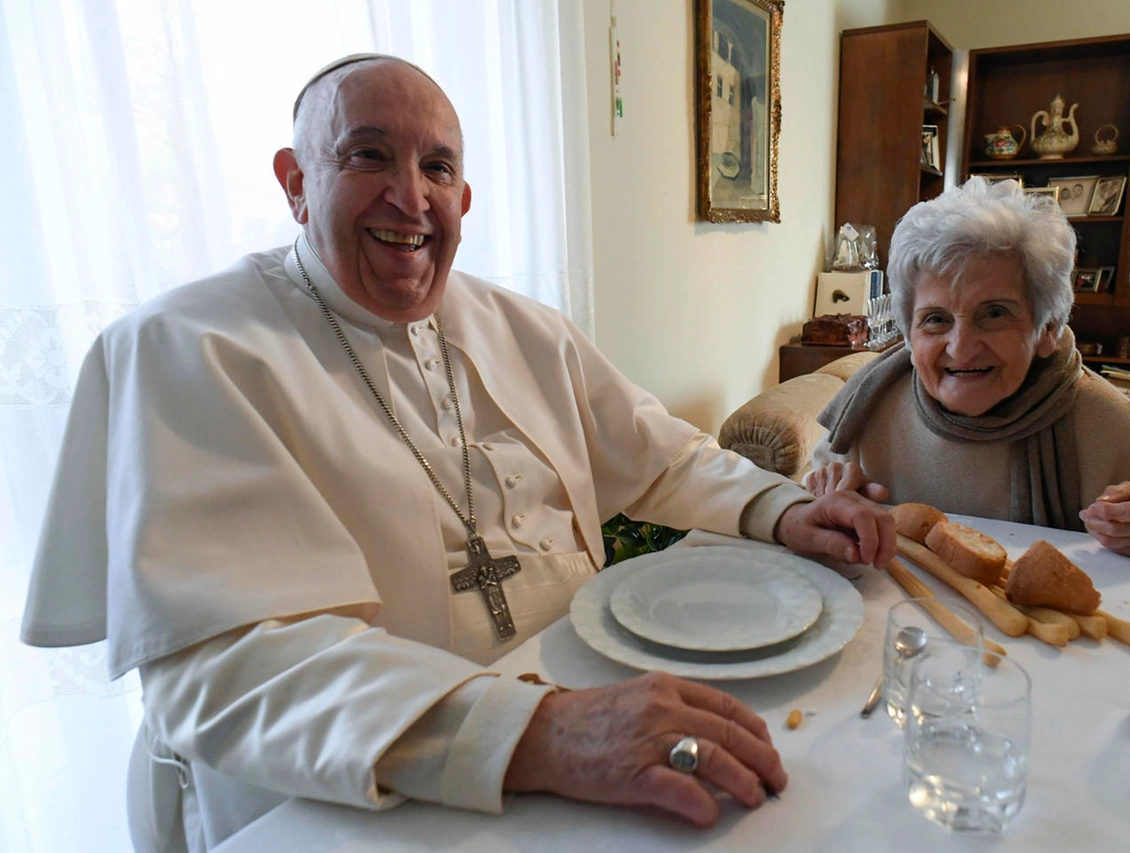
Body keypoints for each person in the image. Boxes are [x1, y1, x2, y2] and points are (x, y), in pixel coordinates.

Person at [20, 55, 894, 852]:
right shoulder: (187, 348)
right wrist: (536, 731)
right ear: (293, 182)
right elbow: (226, 665)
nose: (411, 197)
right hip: (353, 791)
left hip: (583, 710)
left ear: (464, 199)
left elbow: (660, 452)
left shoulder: (523, 326)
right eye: (368, 157)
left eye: (438, 167)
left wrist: (783, 507)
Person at [806, 177, 1130, 559]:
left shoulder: (1104, 422)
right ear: (908, 331)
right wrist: (825, 494)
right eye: (935, 319)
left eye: (994, 314)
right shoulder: (872, 404)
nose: (961, 348)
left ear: (1047, 328)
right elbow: (810, 504)